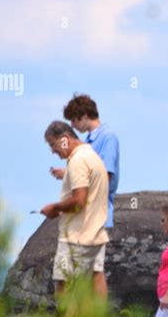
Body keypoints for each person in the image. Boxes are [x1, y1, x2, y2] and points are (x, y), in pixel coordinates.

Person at [51, 94, 120, 297]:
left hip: (94, 211)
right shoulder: (88, 141)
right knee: (93, 272)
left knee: (91, 273)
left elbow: (103, 174)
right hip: (86, 211)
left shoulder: (107, 138)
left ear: (84, 115)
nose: (72, 125)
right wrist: (67, 174)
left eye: (74, 119)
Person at [41, 121, 109, 296]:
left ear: (64, 139)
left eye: (53, 145)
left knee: (64, 286)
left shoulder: (77, 160)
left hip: (76, 236)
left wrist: (54, 208)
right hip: (95, 233)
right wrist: (66, 174)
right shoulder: (91, 156)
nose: (53, 150)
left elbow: (79, 201)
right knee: (96, 278)